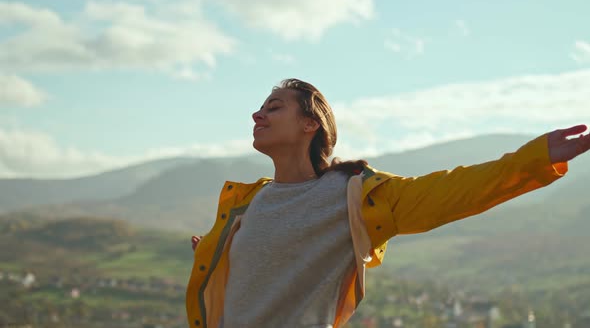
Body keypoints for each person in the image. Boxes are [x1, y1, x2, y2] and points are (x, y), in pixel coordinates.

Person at [185, 78, 589, 328]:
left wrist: (534, 159)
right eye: (260, 108)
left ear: (311, 124)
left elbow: (450, 192)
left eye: (274, 107)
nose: (257, 114)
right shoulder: (247, 203)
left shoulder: (354, 195)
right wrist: (213, 253)